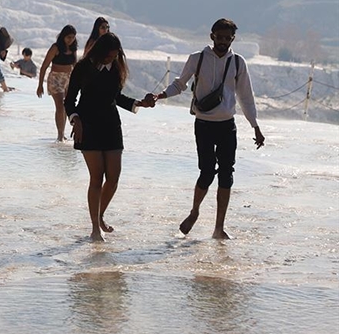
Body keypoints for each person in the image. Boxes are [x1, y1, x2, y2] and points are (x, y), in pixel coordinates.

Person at [154, 18, 265, 240]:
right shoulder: (198, 58)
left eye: (227, 38)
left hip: (227, 126)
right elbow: (180, 83)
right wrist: (160, 95)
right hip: (204, 124)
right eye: (219, 37)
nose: (223, 42)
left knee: (226, 174)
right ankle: (194, 211)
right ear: (211, 36)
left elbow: (246, 96)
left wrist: (255, 126)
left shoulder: (238, 63)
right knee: (206, 171)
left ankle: (218, 227)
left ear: (232, 39)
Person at [65, 33, 155, 242]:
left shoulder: (116, 69)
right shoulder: (83, 67)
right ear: (100, 52)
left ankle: (100, 214)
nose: (111, 60)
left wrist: (139, 104)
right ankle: (95, 228)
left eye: (115, 56)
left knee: (113, 179)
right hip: (87, 126)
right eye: (108, 56)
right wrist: (75, 119)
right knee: (97, 178)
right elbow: (70, 100)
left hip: (111, 126)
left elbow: (116, 97)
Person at [37, 25, 78, 141]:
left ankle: (62, 133)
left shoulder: (73, 49)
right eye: (68, 37)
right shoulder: (55, 48)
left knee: (66, 106)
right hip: (55, 79)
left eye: (73, 38)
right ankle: (60, 135)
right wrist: (40, 85)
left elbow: (75, 66)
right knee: (60, 106)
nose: (71, 40)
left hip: (68, 79)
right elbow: (44, 66)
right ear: (63, 36)